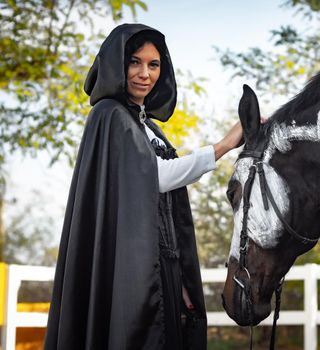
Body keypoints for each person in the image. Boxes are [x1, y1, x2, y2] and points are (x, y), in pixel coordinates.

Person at [44, 23, 243, 350]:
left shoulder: (145, 124)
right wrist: (223, 145)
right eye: (134, 62)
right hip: (131, 262)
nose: (144, 73)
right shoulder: (110, 115)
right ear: (116, 65)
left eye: (154, 65)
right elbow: (158, 177)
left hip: (162, 258)